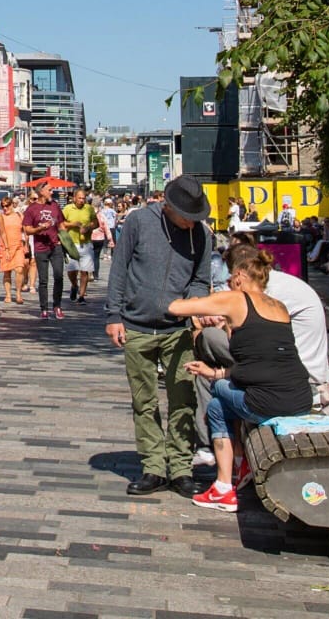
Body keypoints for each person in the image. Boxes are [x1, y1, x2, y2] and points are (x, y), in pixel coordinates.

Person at [171, 244, 314, 513]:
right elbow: (258, 364)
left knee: (218, 396)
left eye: (229, 280)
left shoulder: (237, 299)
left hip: (268, 403)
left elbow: (178, 307)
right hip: (300, 398)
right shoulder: (279, 307)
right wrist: (213, 370)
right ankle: (232, 474)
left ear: (238, 276)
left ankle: (226, 483)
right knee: (220, 397)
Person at [105, 175, 214, 498]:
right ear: (168, 207)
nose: (192, 224)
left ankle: (181, 467)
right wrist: (114, 315)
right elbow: (119, 269)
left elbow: (200, 278)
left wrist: (193, 307)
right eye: (187, 217)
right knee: (144, 400)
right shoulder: (139, 221)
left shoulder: (203, 236)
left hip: (179, 330)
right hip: (137, 326)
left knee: (184, 399)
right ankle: (153, 466)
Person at [23, 185, 65, 320]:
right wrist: (39, 229)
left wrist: (64, 239)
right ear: (41, 192)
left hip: (55, 246)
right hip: (40, 247)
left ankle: (57, 306)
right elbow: (27, 229)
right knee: (43, 280)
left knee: (59, 276)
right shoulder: (32, 209)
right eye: (49, 190)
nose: (52, 192)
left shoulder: (55, 206)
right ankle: (44, 308)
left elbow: (61, 224)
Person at [63, 189, 98, 307]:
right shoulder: (68, 208)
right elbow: (62, 223)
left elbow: (95, 222)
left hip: (86, 243)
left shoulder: (89, 208)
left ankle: (82, 296)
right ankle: (74, 285)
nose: (82, 200)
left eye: (83, 198)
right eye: (80, 198)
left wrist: (88, 227)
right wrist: (73, 224)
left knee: (85, 270)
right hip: (71, 244)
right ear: (74, 198)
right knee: (72, 270)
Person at [0, 196, 30, 306]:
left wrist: (26, 246)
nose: (5, 208)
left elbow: (25, 232)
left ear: (12, 205)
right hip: (5, 247)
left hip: (18, 246)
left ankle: (18, 293)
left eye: (7, 205)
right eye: (3, 206)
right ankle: (8, 294)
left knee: (19, 269)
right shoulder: (0, 217)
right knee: (7, 272)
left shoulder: (19, 216)